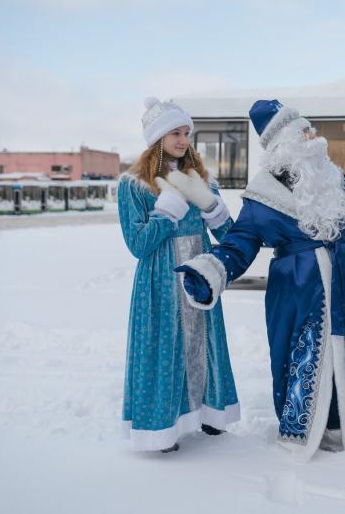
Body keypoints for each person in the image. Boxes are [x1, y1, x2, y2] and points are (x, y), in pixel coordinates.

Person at [176, 99, 345, 461]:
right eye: (303, 133)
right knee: (304, 356)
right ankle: (312, 429)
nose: (313, 137)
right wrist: (211, 271)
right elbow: (239, 244)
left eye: (311, 130)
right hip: (297, 290)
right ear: (284, 146)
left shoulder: (332, 178)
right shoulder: (261, 198)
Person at [117, 97, 239, 453]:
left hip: (199, 276)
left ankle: (209, 413)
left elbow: (229, 236)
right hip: (160, 280)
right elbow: (138, 244)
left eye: (187, 133)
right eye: (176, 133)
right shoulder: (134, 184)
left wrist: (212, 206)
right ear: (157, 138)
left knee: (205, 345)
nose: (184, 140)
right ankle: (161, 428)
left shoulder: (201, 179)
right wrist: (168, 210)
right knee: (163, 349)